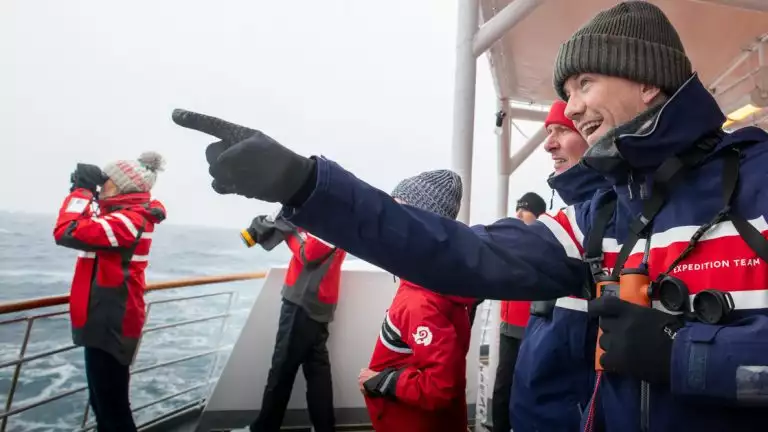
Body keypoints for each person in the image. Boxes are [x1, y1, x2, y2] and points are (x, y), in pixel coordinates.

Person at [172, 3, 768, 429]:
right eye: (568, 89)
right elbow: (454, 250)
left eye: (585, 81)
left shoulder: (760, 178)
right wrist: (304, 184)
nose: (575, 106)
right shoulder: (599, 216)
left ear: (647, 81)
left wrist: (683, 356)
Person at [53, 153, 167, 432]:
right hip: (105, 316)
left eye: (107, 181)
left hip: (112, 321)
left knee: (112, 410)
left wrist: (82, 192)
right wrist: (84, 195)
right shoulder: (122, 217)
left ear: (120, 186)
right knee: (103, 404)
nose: (102, 185)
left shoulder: (130, 221)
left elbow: (67, 231)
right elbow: (87, 226)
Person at [358, 169, 474, 432]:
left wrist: (381, 382)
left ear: (424, 228)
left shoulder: (422, 300)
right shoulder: (435, 283)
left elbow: (442, 387)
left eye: (397, 216)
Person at [511, 100, 596, 432]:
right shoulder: (576, 216)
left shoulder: (607, 224)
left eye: (562, 130)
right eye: (549, 132)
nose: (549, 144)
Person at [242, 213, 346, 432]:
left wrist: (287, 228)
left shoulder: (332, 219)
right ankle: (324, 427)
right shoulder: (340, 216)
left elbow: (309, 253)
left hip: (303, 302)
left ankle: (263, 429)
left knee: (282, 369)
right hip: (319, 300)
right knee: (317, 369)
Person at [492, 191, 545, 432]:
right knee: (503, 386)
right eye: (517, 209)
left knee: (528, 387)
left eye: (525, 209)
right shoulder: (510, 242)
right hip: (508, 328)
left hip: (533, 329)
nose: (518, 214)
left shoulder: (547, 246)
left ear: (539, 215)